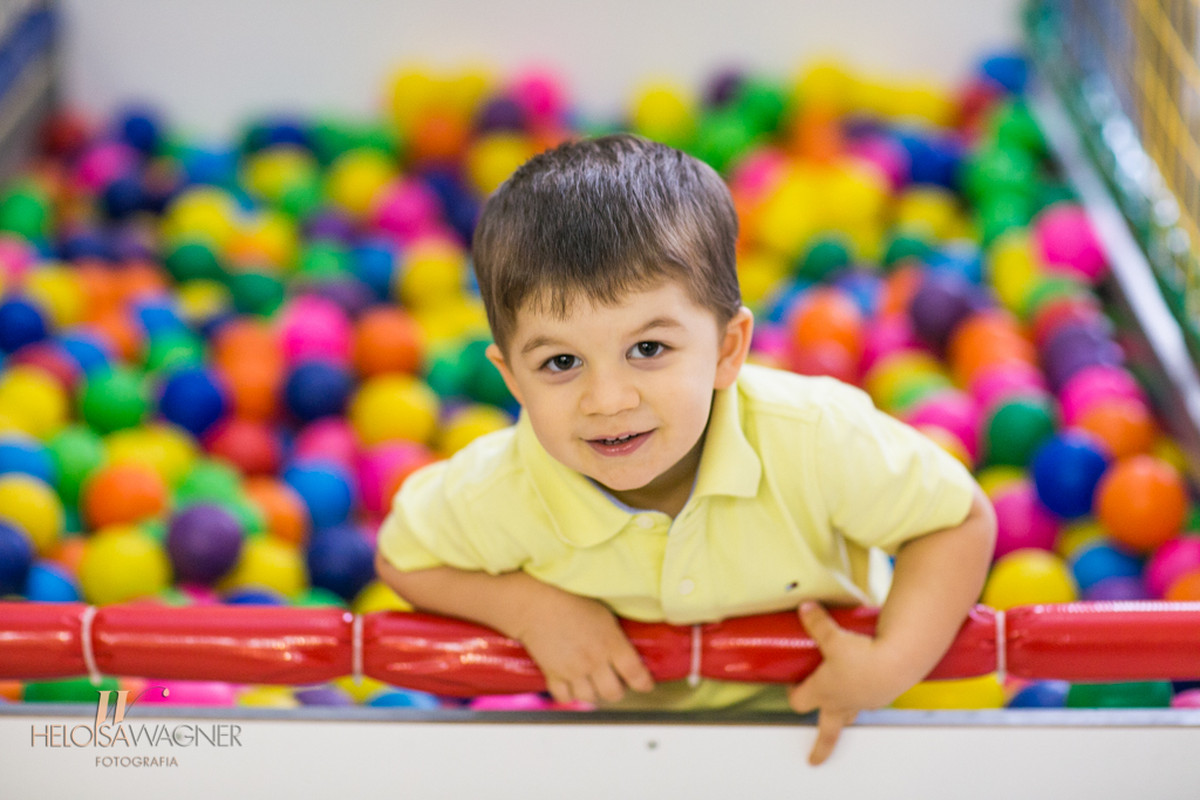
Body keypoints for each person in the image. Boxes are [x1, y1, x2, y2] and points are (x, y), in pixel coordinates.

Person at [374, 133, 997, 765]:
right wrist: (530, 611)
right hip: (644, 753)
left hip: (831, 731)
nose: (608, 399)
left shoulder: (812, 438)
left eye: (648, 350)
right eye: (561, 361)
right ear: (512, 380)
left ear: (728, 350)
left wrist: (889, 665)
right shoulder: (504, 487)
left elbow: (957, 520)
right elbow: (404, 553)